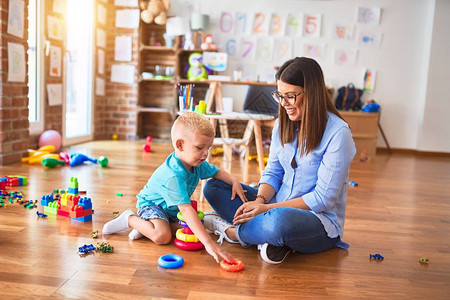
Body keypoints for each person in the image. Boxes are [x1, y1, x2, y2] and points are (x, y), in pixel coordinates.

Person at [202, 57, 356, 264]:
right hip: (272, 206)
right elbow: (273, 172)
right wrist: (259, 201)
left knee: (279, 222)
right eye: (280, 96)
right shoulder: (282, 124)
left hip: (316, 221)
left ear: (312, 93)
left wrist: (267, 210)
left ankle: (233, 232)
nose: (284, 104)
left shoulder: (338, 133)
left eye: (291, 96)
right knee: (214, 187)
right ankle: (270, 240)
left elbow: (323, 199)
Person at [102, 111, 247, 263]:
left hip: (171, 210)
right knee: (162, 237)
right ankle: (130, 219)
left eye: (208, 148)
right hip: (152, 206)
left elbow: (216, 172)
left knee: (191, 230)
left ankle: (146, 228)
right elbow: (185, 209)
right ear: (180, 145)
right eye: (200, 148)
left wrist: (234, 181)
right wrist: (208, 244)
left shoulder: (196, 162)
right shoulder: (173, 175)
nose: (205, 154)